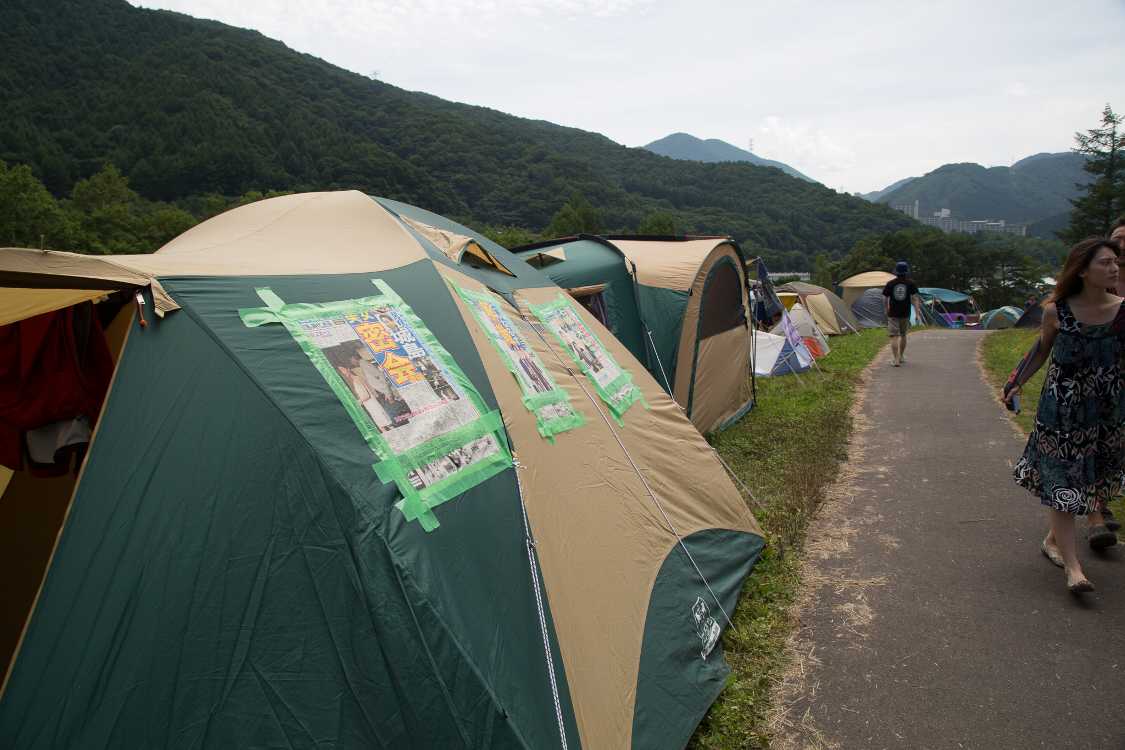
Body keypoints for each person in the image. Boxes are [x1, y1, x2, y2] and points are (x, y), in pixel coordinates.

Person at [1005, 238, 1125, 593]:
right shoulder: (1057, 311)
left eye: (1116, 262)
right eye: (1105, 263)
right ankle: (1074, 569)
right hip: (1063, 411)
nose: (1115, 268)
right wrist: (1015, 382)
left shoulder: (1123, 311)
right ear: (1083, 270)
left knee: (1093, 483)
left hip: (1108, 412)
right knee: (1063, 485)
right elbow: (1042, 350)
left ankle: (1055, 540)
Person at [882, 261, 919, 366]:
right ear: (906, 272)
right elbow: (915, 298)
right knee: (903, 335)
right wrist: (917, 314)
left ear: (896, 272)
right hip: (905, 313)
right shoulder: (911, 283)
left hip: (893, 313)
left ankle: (896, 359)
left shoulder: (890, 283)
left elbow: (884, 298)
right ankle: (901, 356)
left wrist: (886, 309)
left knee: (894, 336)